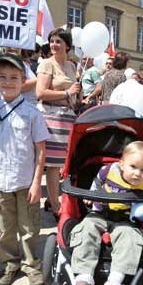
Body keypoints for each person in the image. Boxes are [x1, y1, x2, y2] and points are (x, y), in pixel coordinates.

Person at [0, 53, 49, 285]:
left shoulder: (32, 113)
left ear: (23, 79)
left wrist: (37, 183)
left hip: (25, 180)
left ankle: (30, 264)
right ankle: (9, 263)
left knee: (29, 227)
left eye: (14, 77)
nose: (7, 82)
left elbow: (41, 151)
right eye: (2, 77)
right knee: (4, 228)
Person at [70, 141, 143, 285]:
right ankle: (84, 276)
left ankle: (114, 283)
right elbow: (97, 181)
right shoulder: (109, 170)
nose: (137, 174)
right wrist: (92, 195)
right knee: (86, 228)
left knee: (129, 238)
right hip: (100, 213)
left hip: (126, 219)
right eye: (133, 167)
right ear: (121, 164)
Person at [36, 28, 81, 217]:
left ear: (67, 46)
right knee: (53, 166)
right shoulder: (47, 64)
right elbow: (40, 93)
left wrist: (77, 98)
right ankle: (56, 207)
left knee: (63, 165)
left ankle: (51, 200)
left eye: (58, 41)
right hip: (51, 117)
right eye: (52, 41)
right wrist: (67, 93)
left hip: (67, 118)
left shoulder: (71, 67)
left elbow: (74, 95)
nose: (54, 45)